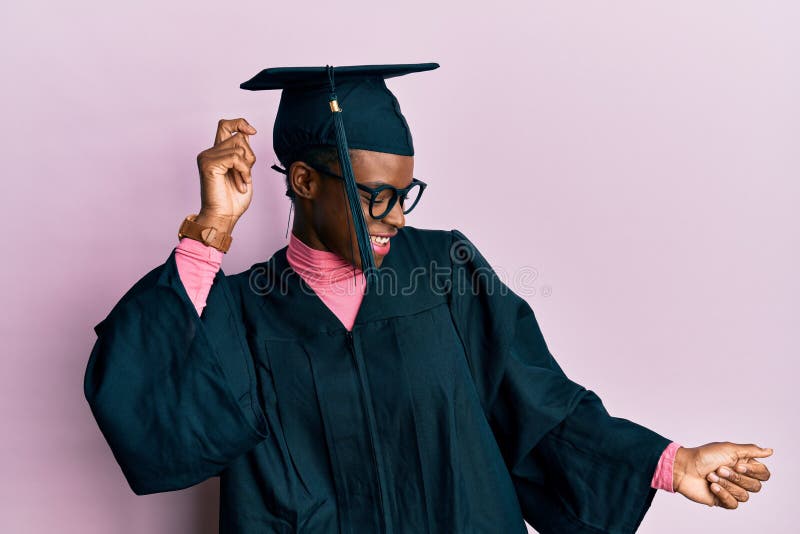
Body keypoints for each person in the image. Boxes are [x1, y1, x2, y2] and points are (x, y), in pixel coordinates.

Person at [83, 63, 773, 534]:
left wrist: (671, 464)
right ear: (303, 180)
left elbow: (535, 403)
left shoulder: (445, 269)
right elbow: (152, 409)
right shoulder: (242, 312)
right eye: (375, 197)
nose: (396, 218)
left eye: (404, 195)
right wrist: (212, 229)